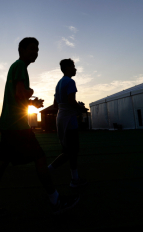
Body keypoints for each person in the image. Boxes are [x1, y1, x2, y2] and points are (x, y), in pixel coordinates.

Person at [0, 37, 80, 217]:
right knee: (39, 157)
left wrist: (32, 102)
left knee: (1, 163)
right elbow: (20, 94)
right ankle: (55, 201)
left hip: (8, 123)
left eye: (37, 49)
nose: (36, 52)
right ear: (22, 50)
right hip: (17, 125)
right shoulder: (21, 67)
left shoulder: (15, 67)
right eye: (32, 49)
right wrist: (31, 94)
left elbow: (19, 96)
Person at [48, 58, 88, 188]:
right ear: (67, 68)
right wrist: (81, 108)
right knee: (72, 151)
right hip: (69, 120)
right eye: (73, 66)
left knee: (69, 150)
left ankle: (74, 178)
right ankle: (48, 170)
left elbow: (56, 105)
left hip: (61, 118)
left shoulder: (59, 83)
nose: (75, 69)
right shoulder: (70, 81)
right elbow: (71, 101)